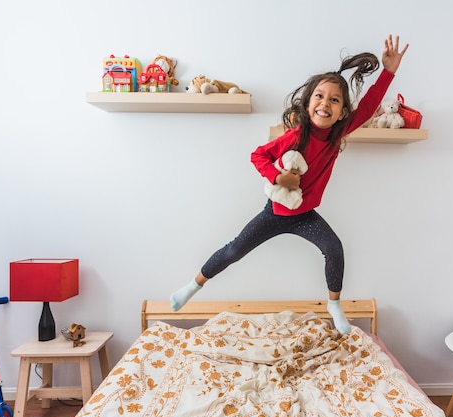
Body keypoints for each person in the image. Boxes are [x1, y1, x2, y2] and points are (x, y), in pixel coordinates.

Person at [170, 35, 409, 334]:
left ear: (343, 112)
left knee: (334, 248)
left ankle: (335, 305)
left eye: (334, 100)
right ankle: (192, 286)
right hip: (275, 213)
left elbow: (371, 103)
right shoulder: (296, 136)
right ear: (308, 103)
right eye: (319, 97)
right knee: (233, 251)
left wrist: (388, 71)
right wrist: (277, 176)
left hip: (305, 216)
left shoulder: (338, 133)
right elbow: (258, 155)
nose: (326, 104)